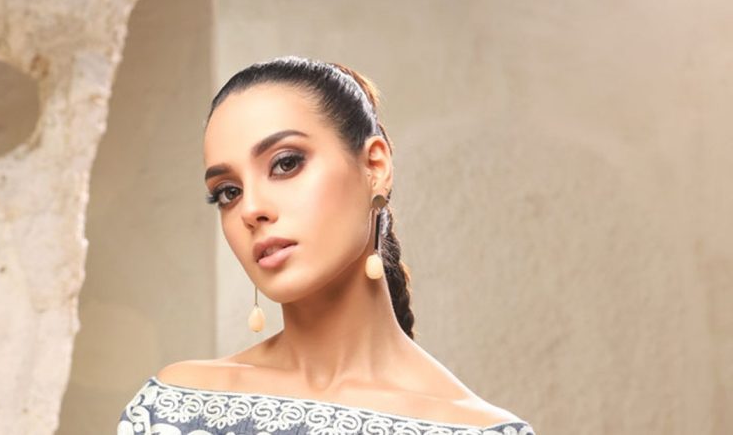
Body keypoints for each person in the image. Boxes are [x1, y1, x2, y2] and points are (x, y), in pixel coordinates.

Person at [117, 56, 536, 434]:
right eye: (229, 192)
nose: (252, 209)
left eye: (286, 163)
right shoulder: (171, 408)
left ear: (375, 166)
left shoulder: (476, 430)